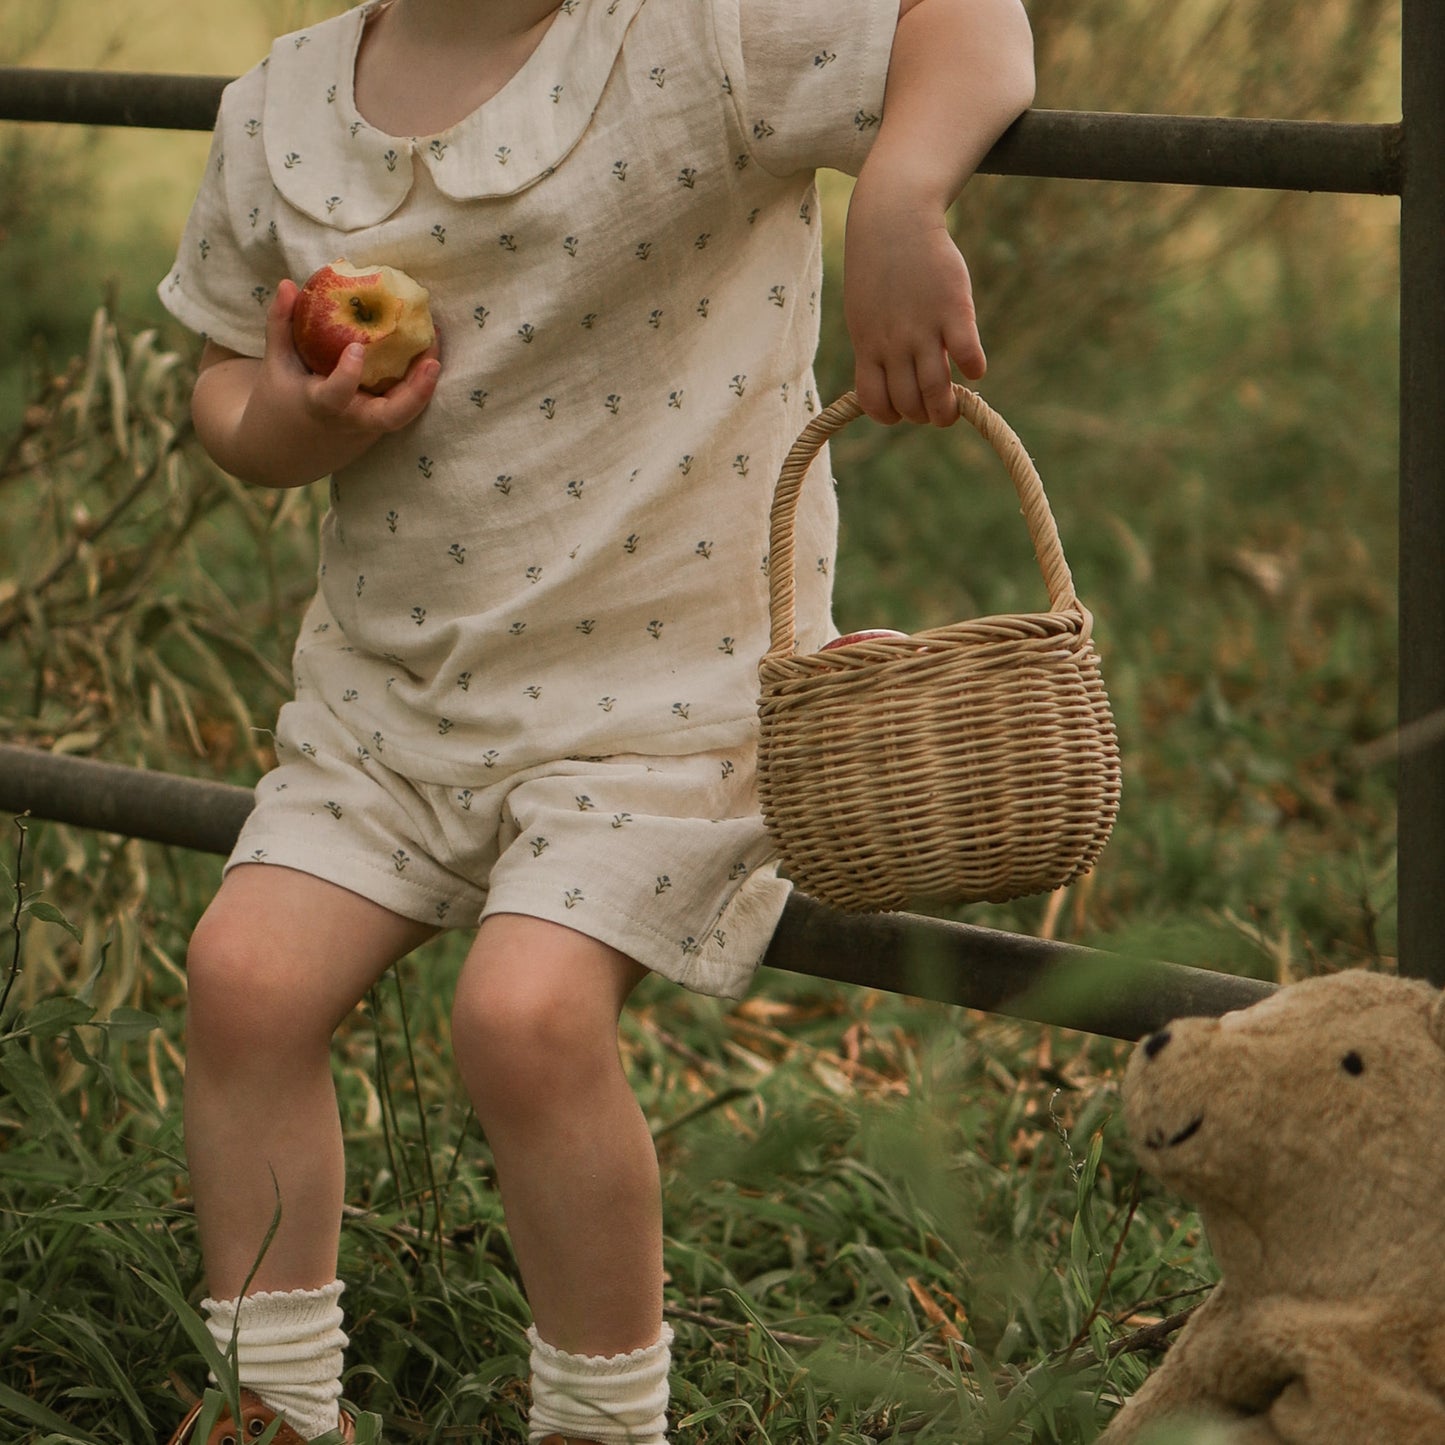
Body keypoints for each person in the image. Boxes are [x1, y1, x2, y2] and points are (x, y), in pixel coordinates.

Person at [157, 0, 1034, 1440]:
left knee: (524, 1017)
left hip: (659, 699)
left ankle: (598, 1416)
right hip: (396, 695)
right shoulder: (282, 111)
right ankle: (271, 1401)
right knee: (241, 977)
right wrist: (291, 421)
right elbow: (218, 382)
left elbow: (971, 21)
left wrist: (896, 190)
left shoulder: (696, 38)